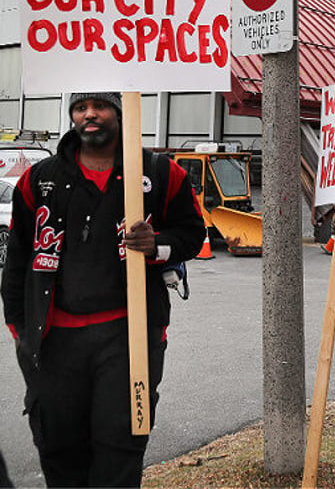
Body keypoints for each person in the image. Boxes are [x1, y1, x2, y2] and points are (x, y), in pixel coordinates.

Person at [1, 92, 205, 488]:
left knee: (121, 448)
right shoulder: (40, 178)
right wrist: (21, 333)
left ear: (120, 111)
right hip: (54, 340)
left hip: (128, 338)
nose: (89, 114)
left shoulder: (160, 174)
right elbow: (17, 262)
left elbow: (192, 234)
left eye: (99, 105)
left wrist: (158, 245)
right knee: (59, 450)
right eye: (80, 107)